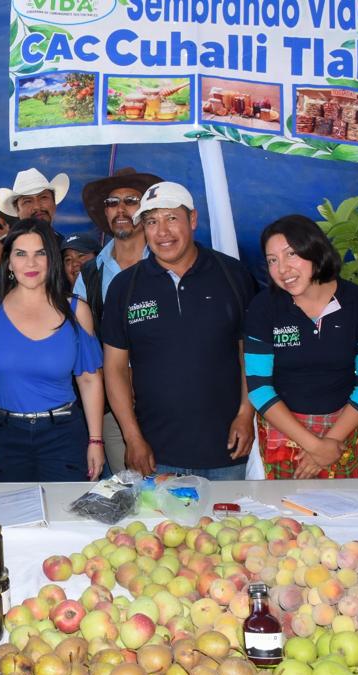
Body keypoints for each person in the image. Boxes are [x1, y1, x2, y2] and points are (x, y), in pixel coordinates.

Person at [101, 181, 257, 479]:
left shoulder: (232, 275)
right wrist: (133, 437)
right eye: (151, 222)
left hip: (228, 450)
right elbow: (115, 369)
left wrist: (245, 413)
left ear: (193, 219)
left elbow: (250, 354)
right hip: (157, 455)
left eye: (171, 218)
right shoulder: (125, 287)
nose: (162, 232)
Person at [244, 215, 358, 479]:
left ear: (316, 251)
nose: (282, 269)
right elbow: (259, 388)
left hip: (342, 433)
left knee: (345, 514)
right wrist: (315, 447)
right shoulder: (264, 308)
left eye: (291, 254)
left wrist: (330, 443)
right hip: (283, 432)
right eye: (272, 260)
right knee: (283, 515)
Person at [0, 219, 105, 481]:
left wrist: (96, 441)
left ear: (51, 259)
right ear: (9, 261)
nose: (30, 264)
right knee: (9, 520)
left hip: (63, 435)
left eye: (40, 253)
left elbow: (89, 380)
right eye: (21, 254)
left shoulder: (76, 311)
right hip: (2, 435)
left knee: (65, 518)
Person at [75, 167, 164, 329]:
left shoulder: (167, 262)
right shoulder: (89, 275)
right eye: (113, 203)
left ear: (146, 210)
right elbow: (83, 337)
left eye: (130, 201)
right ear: (106, 212)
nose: (121, 209)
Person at [0, 168, 68, 234]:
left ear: (54, 203)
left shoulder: (65, 246)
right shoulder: (10, 247)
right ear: (17, 210)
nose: (37, 207)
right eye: (28, 201)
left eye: (43, 197)